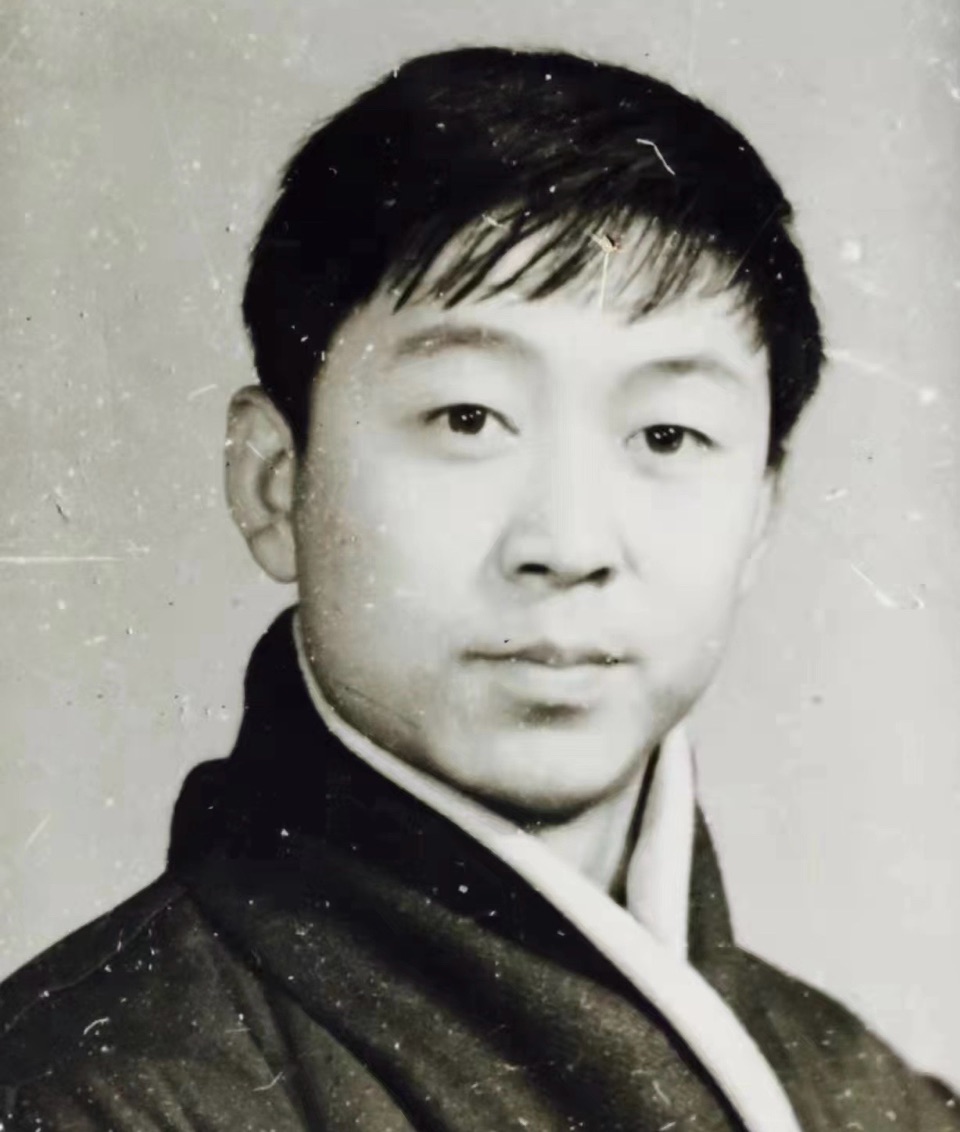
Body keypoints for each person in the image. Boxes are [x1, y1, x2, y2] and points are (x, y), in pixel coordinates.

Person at [0, 45, 955, 1132]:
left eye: (667, 434)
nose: (569, 544)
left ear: (760, 517)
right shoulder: (93, 1093)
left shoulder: (872, 1100)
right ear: (273, 483)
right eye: (467, 418)